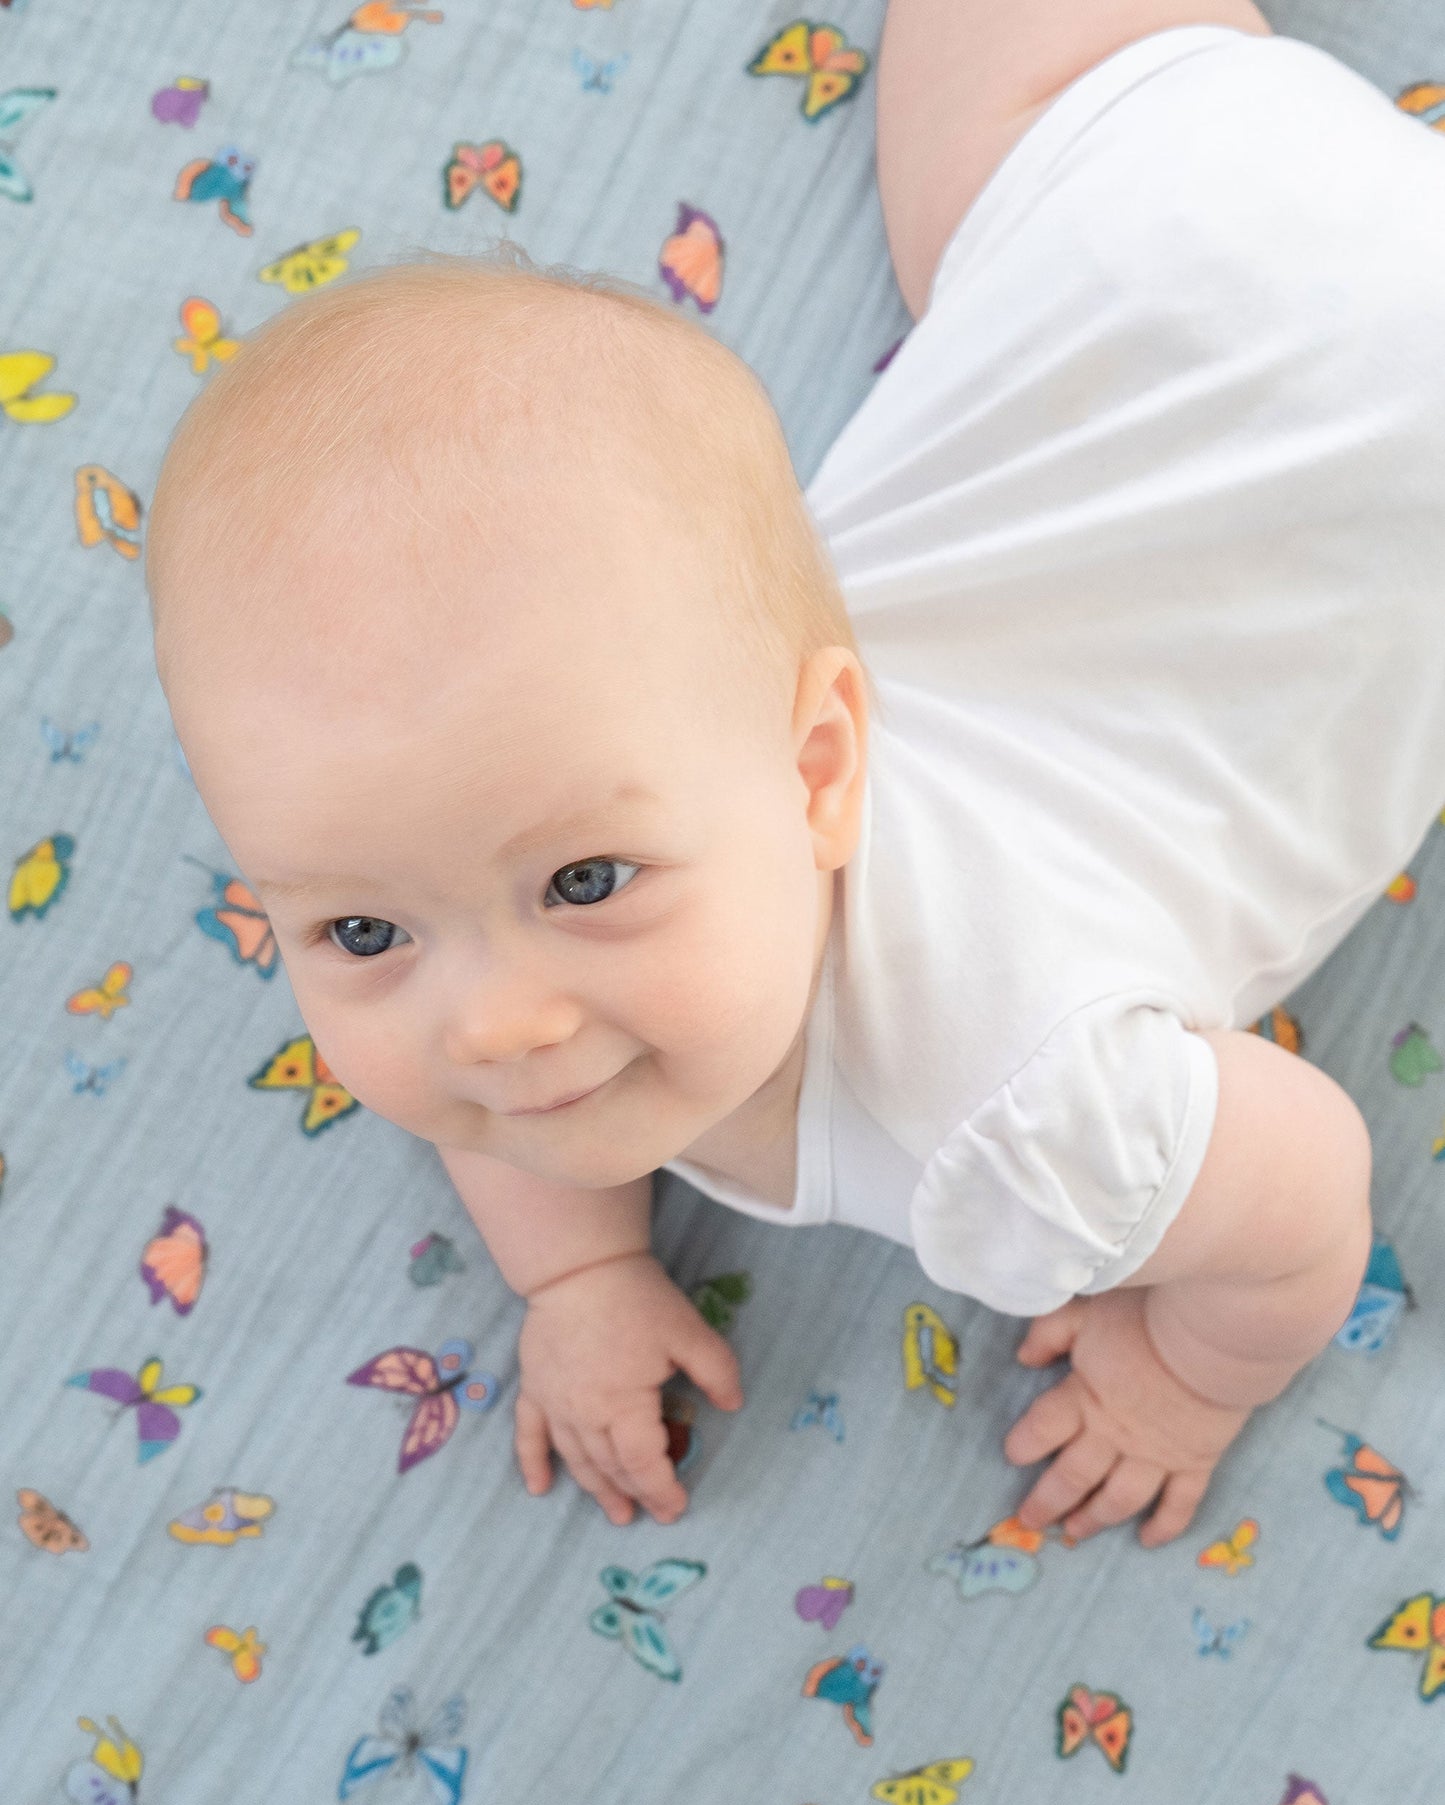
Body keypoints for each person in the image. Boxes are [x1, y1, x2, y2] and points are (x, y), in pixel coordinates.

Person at [146, 0, 1445, 1548]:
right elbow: (498, 1101)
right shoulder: (527, 896)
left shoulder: (1021, 1117)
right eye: (359, 934)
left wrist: (1182, 1375)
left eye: (583, 884)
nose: (487, 1028)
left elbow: (1302, 1189)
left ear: (817, 764)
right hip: (1144, 226)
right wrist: (576, 1273)